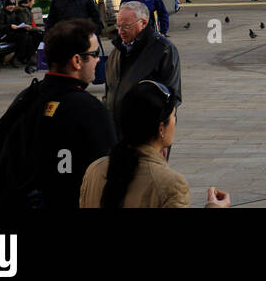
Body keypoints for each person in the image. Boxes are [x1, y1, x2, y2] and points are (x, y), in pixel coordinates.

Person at [0, 19, 116, 209]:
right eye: (95, 54)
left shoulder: (28, 97)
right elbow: (111, 175)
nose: (98, 60)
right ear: (77, 61)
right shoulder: (89, 109)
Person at [81, 80, 229, 208]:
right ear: (161, 128)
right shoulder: (171, 185)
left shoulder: (95, 170)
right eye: (173, 116)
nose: (175, 122)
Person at [104, 1, 181, 129]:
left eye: (126, 27)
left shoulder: (164, 50)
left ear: (143, 23)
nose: (120, 32)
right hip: (117, 132)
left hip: (145, 134)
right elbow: (109, 92)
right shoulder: (116, 52)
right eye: (118, 27)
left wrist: (159, 138)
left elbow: (171, 98)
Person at [0, 0, 43, 67]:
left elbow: (19, 23)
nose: (12, 7)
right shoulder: (1, 14)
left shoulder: (14, 12)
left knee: (28, 37)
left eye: (13, 5)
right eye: (9, 5)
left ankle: (25, 57)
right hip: (4, 35)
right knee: (23, 37)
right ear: (5, 5)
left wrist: (22, 26)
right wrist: (10, 26)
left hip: (13, 32)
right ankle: (18, 58)